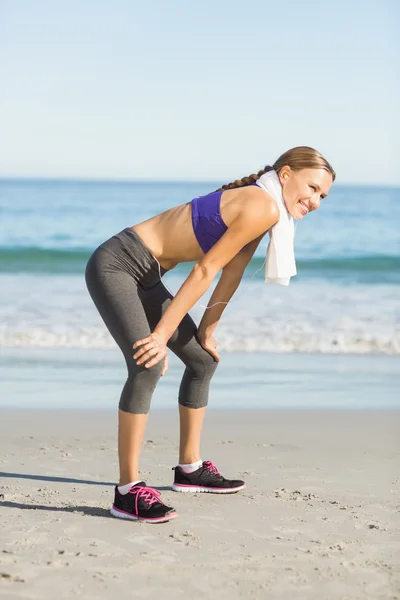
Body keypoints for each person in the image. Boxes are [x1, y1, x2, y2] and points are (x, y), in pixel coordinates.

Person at [85, 145, 335, 523]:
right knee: (148, 365)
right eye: (312, 187)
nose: (316, 200)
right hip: (117, 265)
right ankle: (126, 491)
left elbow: (230, 274)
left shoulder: (267, 208)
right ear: (285, 174)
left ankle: (189, 468)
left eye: (323, 196)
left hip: (147, 276)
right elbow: (204, 270)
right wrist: (161, 335)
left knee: (202, 361)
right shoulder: (262, 206)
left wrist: (207, 331)